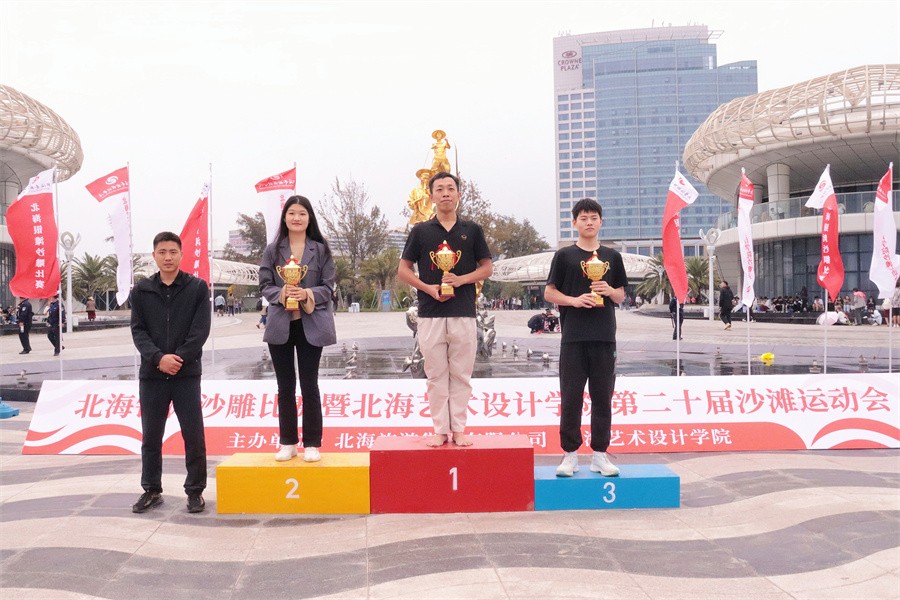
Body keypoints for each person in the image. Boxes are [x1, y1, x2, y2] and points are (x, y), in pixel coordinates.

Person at [398, 171, 493, 447]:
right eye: (439, 189)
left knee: (461, 374)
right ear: (431, 196)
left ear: (459, 194)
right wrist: (428, 288)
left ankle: (459, 429)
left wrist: (461, 280)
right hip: (430, 312)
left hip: (463, 311)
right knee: (436, 374)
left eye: (450, 188)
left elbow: (487, 267)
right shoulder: (421, 231)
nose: (445, 193)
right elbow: (403, 270)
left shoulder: (472, 230)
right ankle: (440, 429)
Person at [129, 231, 211, 514]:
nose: (167, 257)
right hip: (153, 375)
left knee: (193, 434)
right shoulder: (141, 291)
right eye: (162, 252)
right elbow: (138, 331)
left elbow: (200, 331)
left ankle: (195, 491)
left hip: (186, 374)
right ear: (154, 255)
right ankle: (151, 489)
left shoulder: (197, 288)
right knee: (151, 436)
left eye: (173, 252)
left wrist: (178, 359)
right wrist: (158, 358)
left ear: (181, 254)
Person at [544, 198, 626, 478]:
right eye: (583, 218)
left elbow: (621, 295)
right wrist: (574, 301)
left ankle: (600, 455)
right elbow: (549, 292)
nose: (589, 222)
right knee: (571, 397)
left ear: (601, 221)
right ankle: (570, 454)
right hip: (573, 338)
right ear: (574, 223)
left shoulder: (612, 257)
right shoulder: (564, 256)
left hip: (604, 337)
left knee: (602, 397)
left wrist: (609, 290)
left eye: (593, 218)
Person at [259, 196, 337, 462]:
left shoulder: (321, 250)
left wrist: (306, 293)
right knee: (285, 387)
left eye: (302, 213)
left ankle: (312, 443)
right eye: (292, 213)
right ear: (285, 218)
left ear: (309, 218)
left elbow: (328, 287)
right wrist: (282, 293)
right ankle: (288, 442)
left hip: (311, 324)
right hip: (280, 324)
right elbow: (264, 285)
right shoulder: (272, 250)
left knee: (309, 384)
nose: (296, 218)